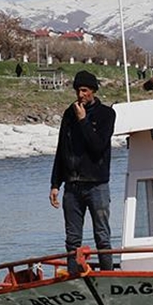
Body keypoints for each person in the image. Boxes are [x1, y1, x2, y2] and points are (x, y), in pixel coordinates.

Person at [50, 70, 116, 271]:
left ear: (93, 91)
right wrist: (55, 184)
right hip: (72, 185)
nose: (80, 95)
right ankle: (74, 277)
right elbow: (62, 149)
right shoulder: (69, 114)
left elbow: (97, 147)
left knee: (102, 237)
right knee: (72, 239)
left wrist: (84, 121)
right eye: (78, 91)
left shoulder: (107, 114)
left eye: (85, 91)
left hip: (96, 184)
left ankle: (108, 275)